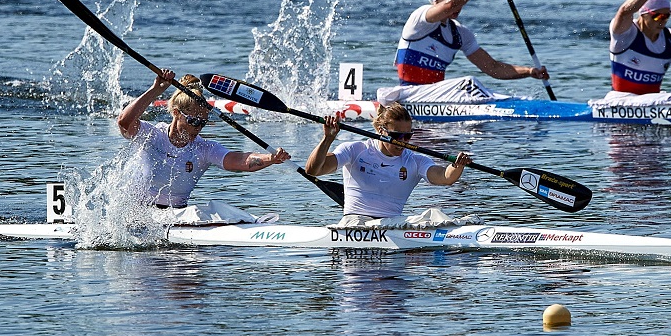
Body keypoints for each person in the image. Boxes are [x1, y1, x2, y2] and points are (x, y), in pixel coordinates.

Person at [117, 69, 290, 207]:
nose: (197, 128)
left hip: (177, 216)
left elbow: (238, 160)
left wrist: (270, 158)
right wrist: (155, 90)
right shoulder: (153, 135)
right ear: (176, 113)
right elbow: (124, 122)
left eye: (202, 123)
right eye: (193, 121)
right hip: (138, 212)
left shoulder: (204, 149)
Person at [305, 102, 471, 222]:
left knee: (434, 215)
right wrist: (327, 139)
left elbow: (445, 177)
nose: (403, 141)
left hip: (393, 225)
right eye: (397, 136)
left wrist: (456, 165)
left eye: (407, 136)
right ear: (380, 130)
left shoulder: (415, 160)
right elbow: (313, 170)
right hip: (355, 223)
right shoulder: (355, 150)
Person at [394, 0, 549, 86]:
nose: (460, 5)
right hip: (408, 94)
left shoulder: (460, 34)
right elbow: (451, 5)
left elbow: (493, 68)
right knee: (468, 83)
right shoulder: (420, 18)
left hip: (433, 99)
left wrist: (529, 71)